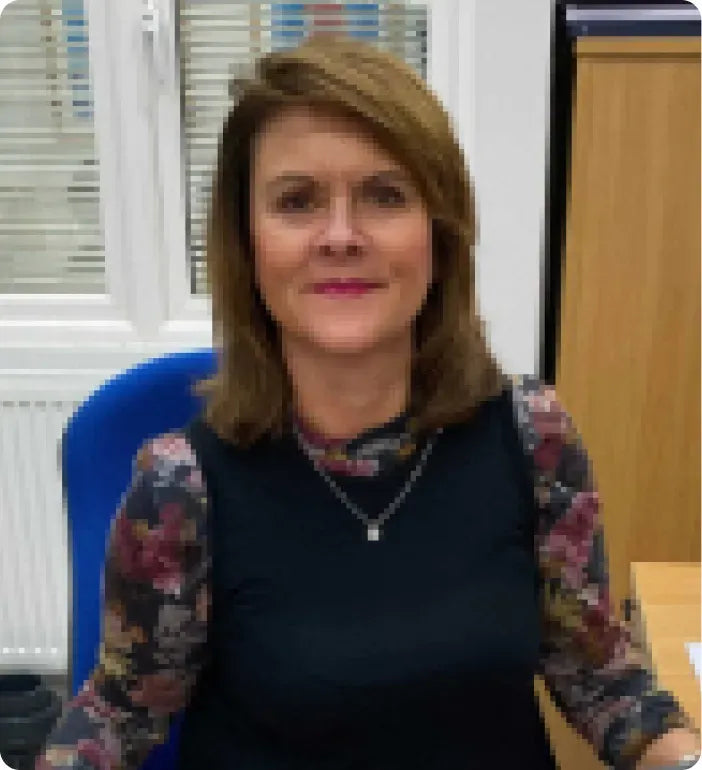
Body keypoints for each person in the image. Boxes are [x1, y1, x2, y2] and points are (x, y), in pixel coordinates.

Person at [35, 34, 700, 770]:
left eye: (385, 196)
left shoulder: (532, 436)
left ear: (439, 236)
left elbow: (600, 672)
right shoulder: (180, 487)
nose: (342, 236)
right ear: (247, 244)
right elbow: (119, 716)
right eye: (297, 201)